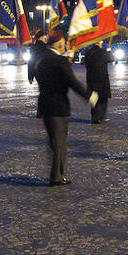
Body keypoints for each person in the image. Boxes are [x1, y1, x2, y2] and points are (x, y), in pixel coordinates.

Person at [35, 31, 98, 186]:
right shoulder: (59, 61)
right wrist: (89, 96)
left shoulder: (42, 60)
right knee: (60, 143)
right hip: (58, 106)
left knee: (53, 142)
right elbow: (72, 81)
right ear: (60, 45)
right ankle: (56, 176)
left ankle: (56, 173)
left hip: (45, 105)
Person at [83, 40, 112, 124]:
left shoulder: (88, 53)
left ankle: (94, 117)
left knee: (94, 97)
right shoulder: (102, 52)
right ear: (99, 43)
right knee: (103, 98)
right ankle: (101, 116)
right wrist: (109, 50)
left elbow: (85, 63)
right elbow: (110, 59)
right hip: (102, 78)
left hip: (91, 78)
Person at [28, 30, 49, 118]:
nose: (45, 39)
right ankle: (43, 112)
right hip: (44, 72)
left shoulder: (33, 47)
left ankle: (40, 112)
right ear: (41, 37)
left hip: (36, 72)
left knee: (43, 92)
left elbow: (30, 62)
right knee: (45, 92)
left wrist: (30, 76)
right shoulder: (44, 47)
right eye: (45, 37)